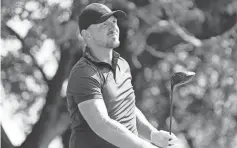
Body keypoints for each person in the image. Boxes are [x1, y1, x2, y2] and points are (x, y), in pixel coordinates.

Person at [66, 3, 179, 148]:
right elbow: (101, 124)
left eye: (114, 22)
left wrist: (153, 135)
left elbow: (128, 108)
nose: (113, 27)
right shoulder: (84, 73)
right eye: (104, 25)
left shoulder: (122, 65)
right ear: (87, 34)